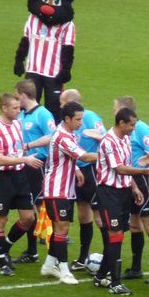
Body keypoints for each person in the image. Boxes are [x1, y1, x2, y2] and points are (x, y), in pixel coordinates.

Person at [94, 107, 149, 295]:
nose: (134, 128)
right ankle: (115, 283)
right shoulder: (109, 141)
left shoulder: (125, 139)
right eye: (132, 125)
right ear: (121, 123)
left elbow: (126, 167)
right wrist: (147, 172)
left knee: (117, 235)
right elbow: (120, 169)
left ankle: (101, 276)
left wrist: (134, 188)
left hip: (123, 192)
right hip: (108, 193)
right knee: (115, 235)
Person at [40, 101, 98, 285]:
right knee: (62, 228)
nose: (81, 123)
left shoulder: (68, 134)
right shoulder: (64, 137)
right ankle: (64, 270)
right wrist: (109, 152)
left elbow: (66, 159)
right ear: (67, 119)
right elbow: (85, 157)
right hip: (57, 190)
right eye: (78, 119)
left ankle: (49, 265)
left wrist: (76, 170)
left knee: (60, 228)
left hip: (64, 189)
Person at [0, 93, 44, 276]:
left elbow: (19, 148)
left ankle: (4, 246)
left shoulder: (17, 124)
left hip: (19, 176)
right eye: (15, 108)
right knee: (1, 220)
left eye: (19, 107)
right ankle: (4, 262)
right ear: (4, 108)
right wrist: (24, 160)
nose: (19, 110)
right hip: (1, 178)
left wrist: (24, 159)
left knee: (28, 218)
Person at [113, 96, 149, 283]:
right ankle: (136, 267)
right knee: (134, 225)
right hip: (129, 178)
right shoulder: (122, 131)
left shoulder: (141, 128)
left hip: (141, 179)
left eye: (115, 107)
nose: (113, 110)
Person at [59, 89, 106, 271]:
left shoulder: (92, 118)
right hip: (76, 170)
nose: (60, 105)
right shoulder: (65, 121)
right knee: (83, 214)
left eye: (63, 102)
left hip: (92, 171)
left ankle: (109, 256)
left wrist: (99, 139)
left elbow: (106, 140)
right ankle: (82, 257)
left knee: (99, 216)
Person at [14, 79, 56, 263]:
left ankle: (54, 249)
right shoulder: (22, 115)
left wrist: (30, 145)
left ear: (23, 94)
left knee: (40, 206)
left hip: (39, 164)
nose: (16, 101)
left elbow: (52, 136)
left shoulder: (43, 114)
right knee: (29, 207)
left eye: (17, 97)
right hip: (24, 164)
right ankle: (32, 251)